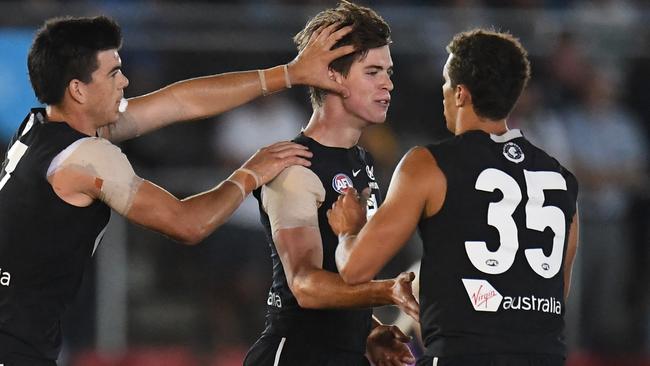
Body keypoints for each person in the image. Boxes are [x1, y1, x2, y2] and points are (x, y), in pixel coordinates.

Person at [0, 15, 356, 365]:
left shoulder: (40, 126)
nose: (124, 80)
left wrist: (290, 73)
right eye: (112, 73)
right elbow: (188, 225)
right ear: (78, 89)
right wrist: (251, 172)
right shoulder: (86, 157)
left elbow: (178, 102)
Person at [329, 29, 580, 366]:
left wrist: (348, 231)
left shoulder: (428, 165)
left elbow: (355, 269)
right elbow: (553, 291)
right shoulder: (562, 180)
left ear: (460, 93)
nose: (443, 92)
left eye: (447, 82)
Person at [243, 2, 419, 366]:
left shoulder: (361, 159)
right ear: (332, 76)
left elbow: (342, 278)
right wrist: (389, 292)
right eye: (372, 72)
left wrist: (368, 330)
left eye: (388, 71)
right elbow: (305, 286)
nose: (388, 83)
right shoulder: (296, 167)